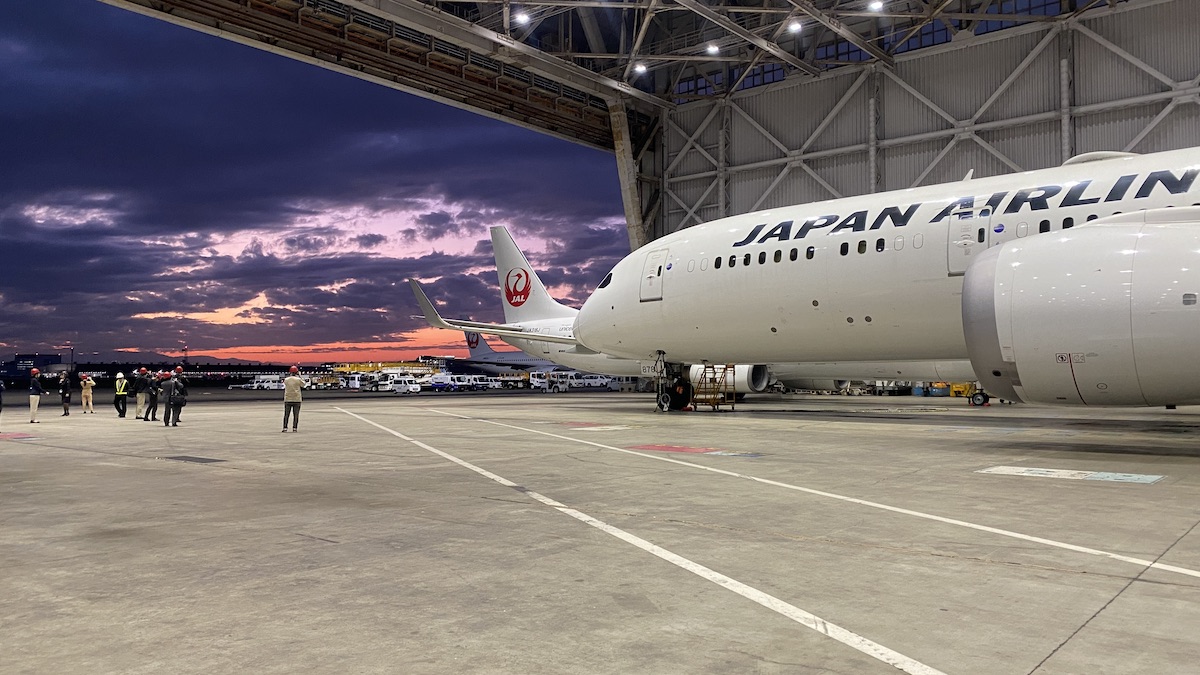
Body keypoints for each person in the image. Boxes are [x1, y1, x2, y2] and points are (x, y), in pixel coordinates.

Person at [282, 365, 305, 432]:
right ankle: (294, 428)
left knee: (286, 415)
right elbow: (303, 384)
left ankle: (285, 428)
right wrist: (300, 376)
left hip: (288, 399)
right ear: (296, 372)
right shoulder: (298, 380)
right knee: (296, 415)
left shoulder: (286, 380)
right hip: (297, 399)